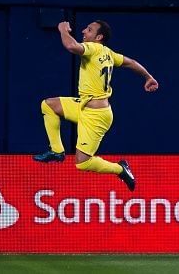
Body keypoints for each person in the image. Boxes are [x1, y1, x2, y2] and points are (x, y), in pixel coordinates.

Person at [33, 20, 159, 191]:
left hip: (96, 116)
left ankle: (120, 168)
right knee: (48, 105)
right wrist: (148, 76)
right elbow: (131, 62)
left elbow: (71, 46)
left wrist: (62, 30)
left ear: (98, 37)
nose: (84, 31)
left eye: (89, 29)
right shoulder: (108, 53)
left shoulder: (94, 48)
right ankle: (56, 150)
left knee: (82, 163)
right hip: (84, 106)